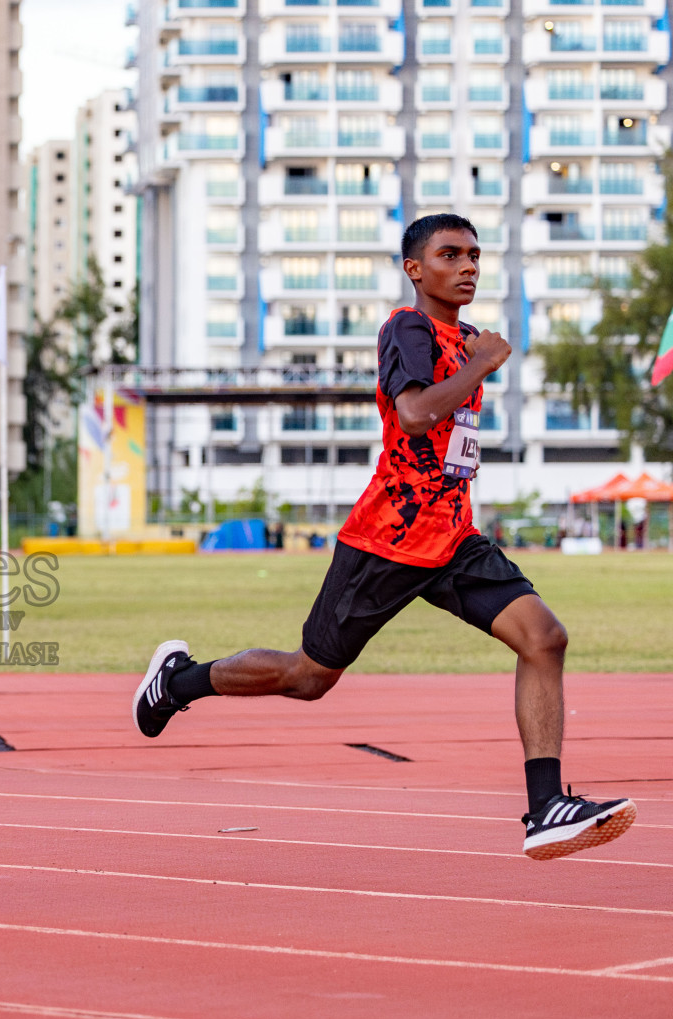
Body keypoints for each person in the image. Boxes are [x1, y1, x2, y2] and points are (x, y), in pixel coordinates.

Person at [131, 214, 636, 861]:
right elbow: (417, 414)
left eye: (475, 255)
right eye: (450, 254)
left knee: (545, 637)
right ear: (415, 269)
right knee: (308, 678)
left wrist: (477, 357)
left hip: (453, 539)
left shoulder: (470, 338)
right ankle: (177, 683)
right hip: (387, 541)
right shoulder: (410, 329)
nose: (468, 266)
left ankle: (546, 808)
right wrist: (481, 366)